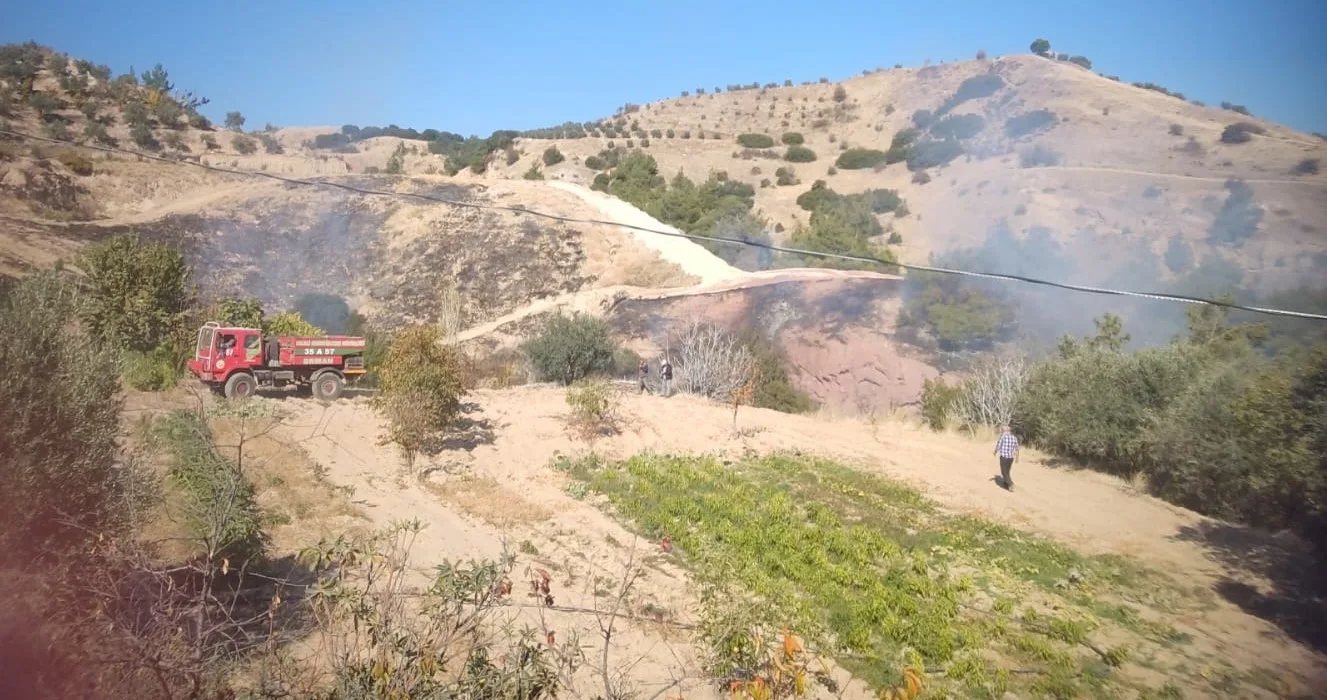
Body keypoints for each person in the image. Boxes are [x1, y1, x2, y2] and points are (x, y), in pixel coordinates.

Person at [994, 425, 1020, 492]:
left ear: (1004, 430)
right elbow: (1017, 449)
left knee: (1004, 472)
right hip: (1010, 458)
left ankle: (1011, 484)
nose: (1001, 431)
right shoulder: (1014, 437)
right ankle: (1006, 483)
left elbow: (998, 446)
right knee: (1007, 471)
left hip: (1004, 457)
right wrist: (1017, 458)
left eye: (1002, 430)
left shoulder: (1003, 437)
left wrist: (995, 452)